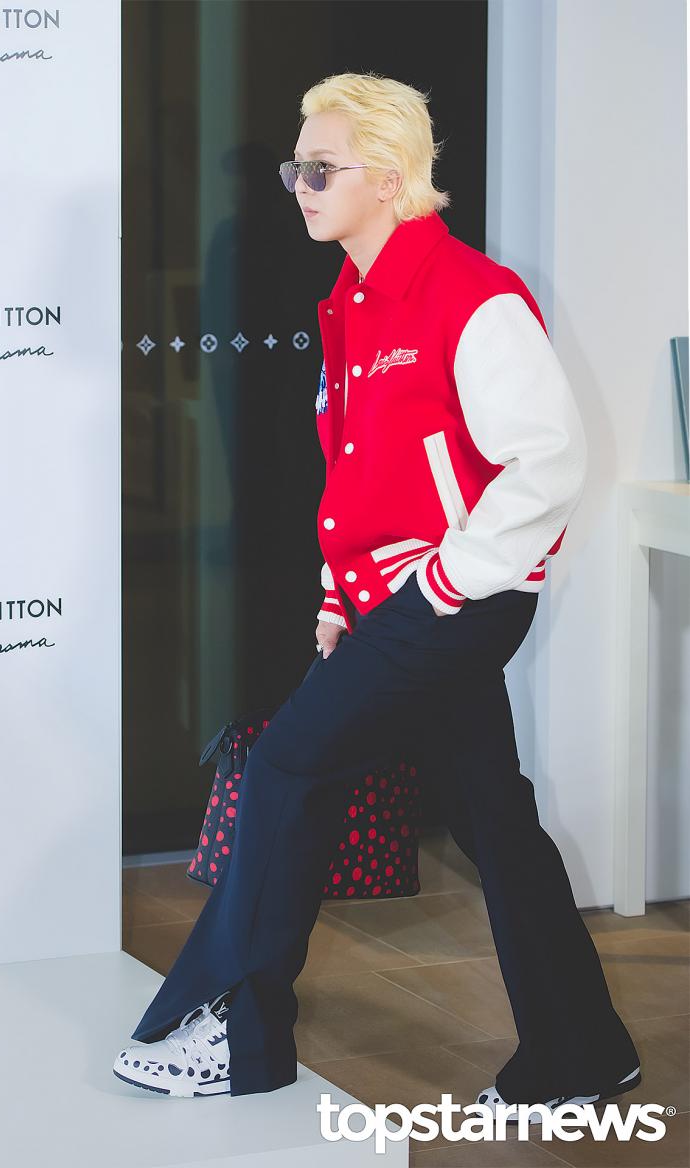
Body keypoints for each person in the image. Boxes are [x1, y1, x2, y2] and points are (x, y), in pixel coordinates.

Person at [113, 71, 641, 1119]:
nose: (299, 187)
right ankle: (581, 1052)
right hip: (393, 602)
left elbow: (548, 459)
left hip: (451, 602)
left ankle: (239, 1033)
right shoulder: (351, 302)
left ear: (390, 178)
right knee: (492, 813)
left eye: (320, 169)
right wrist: (337, 593)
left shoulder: (473, 295)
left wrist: (442, 577)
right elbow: (359, 470)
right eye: (295, 169)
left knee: (288, 766)